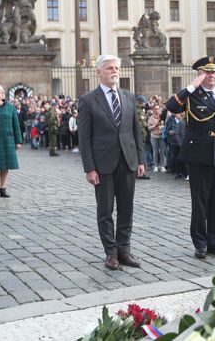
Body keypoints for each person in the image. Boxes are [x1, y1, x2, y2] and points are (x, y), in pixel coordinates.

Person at [78, 55, 146, 271]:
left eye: (116, 68)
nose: (114, 71)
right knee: (105, 210)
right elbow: (84, 137)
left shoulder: (128, 96)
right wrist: (90, 168)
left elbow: (136, 131)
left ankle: (124, 250)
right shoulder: (89, 100)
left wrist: (141, 160)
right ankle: (111, 253)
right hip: (103, 165)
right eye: (109, 68)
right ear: (99, 72)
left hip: (127, 161)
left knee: (126, 209)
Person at [166, 56, 215, 259]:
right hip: (198, 155)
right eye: (207, 72)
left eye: (214, 72)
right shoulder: (192, 95)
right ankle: (200, 243)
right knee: (200, 202)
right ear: (200, 74)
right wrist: (190, 87)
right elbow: (172, 106)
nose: (212, 75)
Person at [147, 105, 166, 172]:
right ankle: (155, 166)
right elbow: (149, 128)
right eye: (155, 109)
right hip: (154, 136)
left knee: (162, 151)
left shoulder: (162, 117)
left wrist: (162, 127)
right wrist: (155, 125)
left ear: (159, 110)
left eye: (158, 109)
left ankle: (162, 166)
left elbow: (166, 125)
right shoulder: (150, 118)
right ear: (153, 110)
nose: (156, 110)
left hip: (161, 136)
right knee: (155, 151)